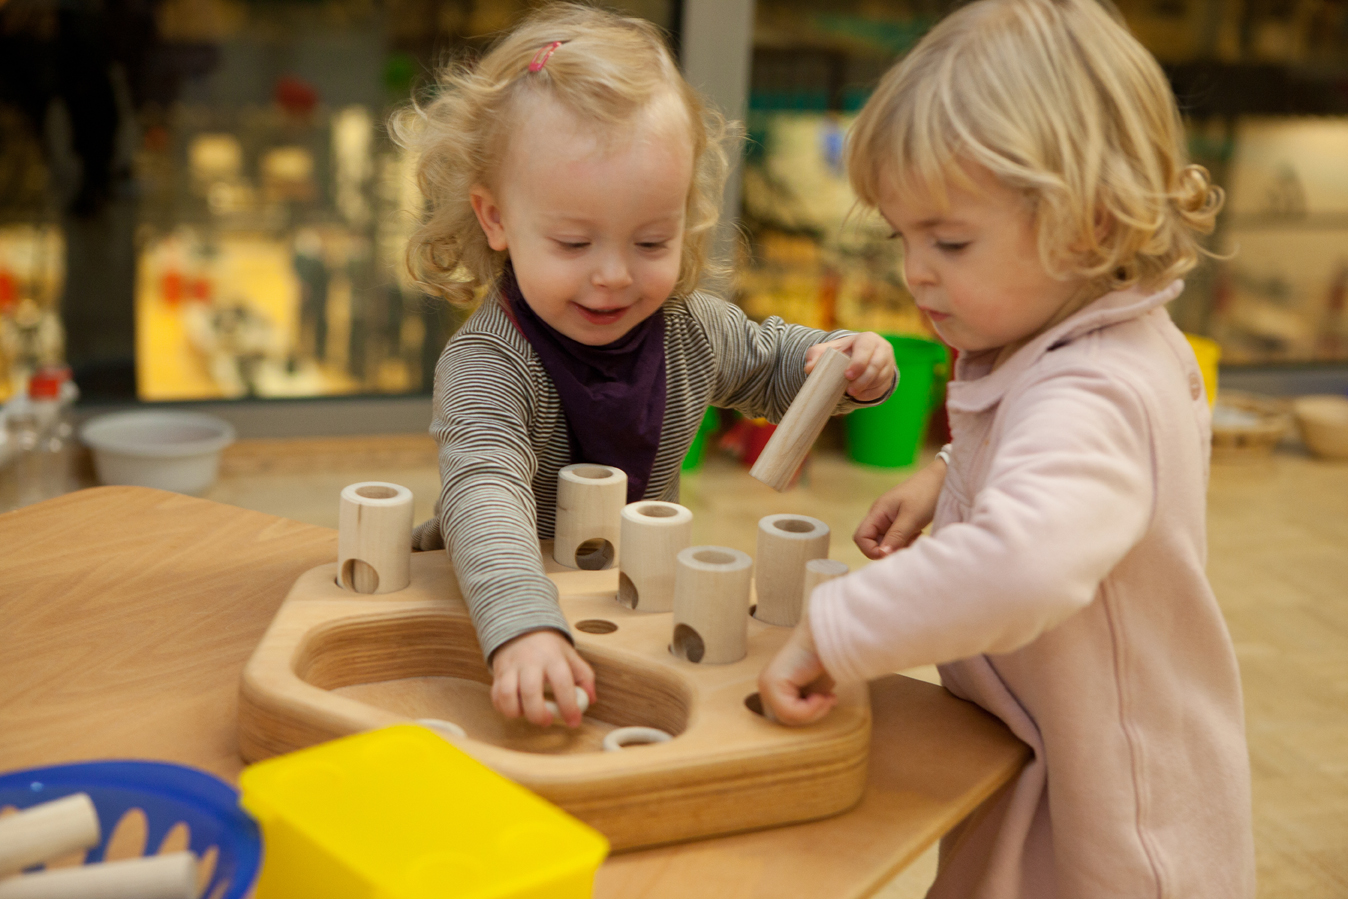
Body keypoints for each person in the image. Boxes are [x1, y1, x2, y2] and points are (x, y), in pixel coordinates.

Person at [757, 0, 1255, 895]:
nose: (915, 270)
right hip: (1053, 745)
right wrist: (951, 473)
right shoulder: (1093, 341)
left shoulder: (1091, 387)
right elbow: (1066, 473)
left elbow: (1024, 561)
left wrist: (836, 632)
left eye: (949, 240)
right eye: (903, 236)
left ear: (1091, 225)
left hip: (1111, 819)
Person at [393, 5, 897, 730]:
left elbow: (775, 369)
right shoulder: (486, 363)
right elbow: (484, 493)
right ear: (495, 218)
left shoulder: (690, 330)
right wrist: (522, 625)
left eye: (651, 241)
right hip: (501, 599)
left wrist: (846, 366)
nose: (614, 277)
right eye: (573, 242)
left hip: (621, 599)